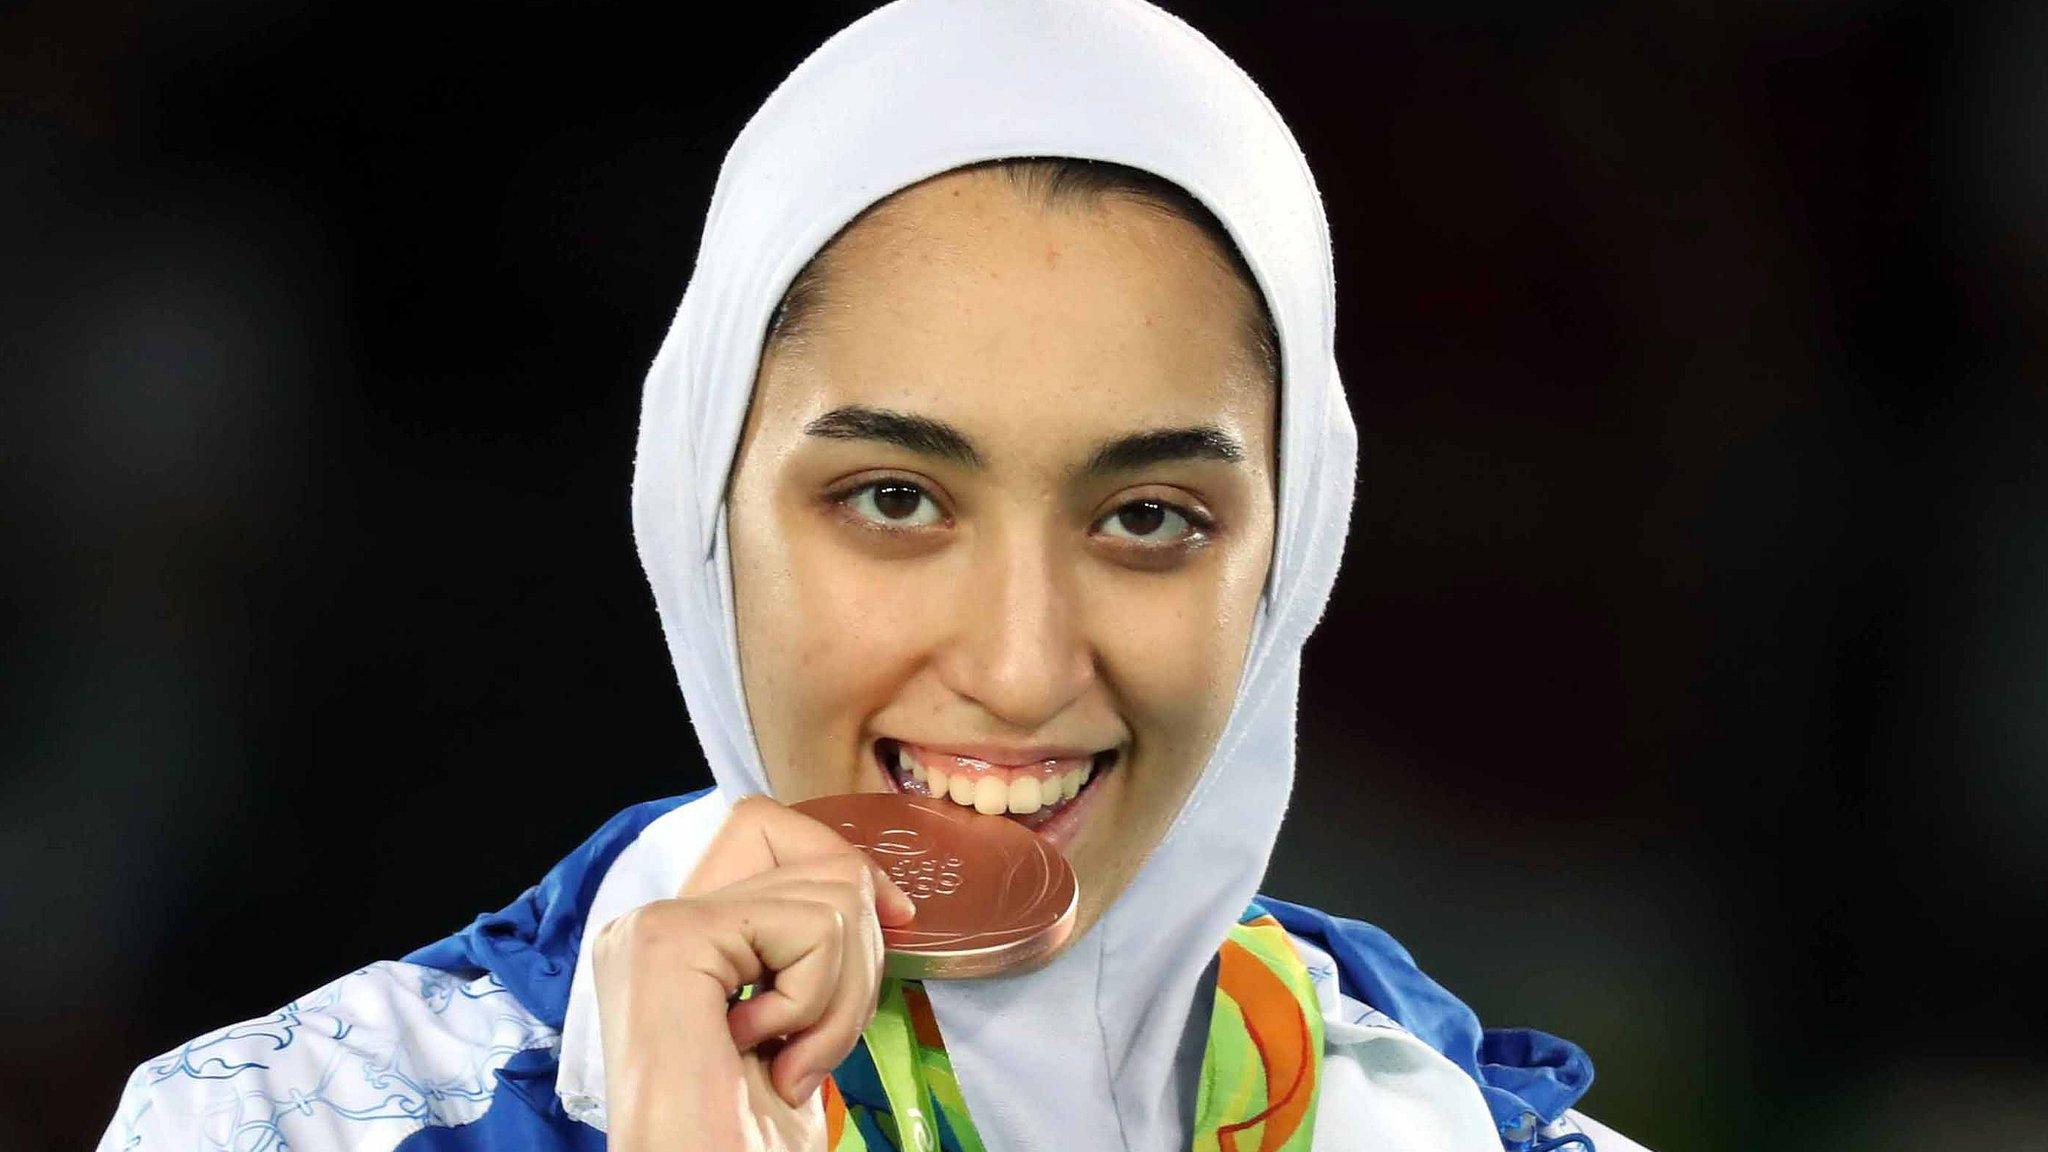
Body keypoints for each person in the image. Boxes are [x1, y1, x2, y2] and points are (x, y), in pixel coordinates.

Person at [95, 2, 1656, 1150]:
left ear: (1293, 553)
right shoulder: (283, 1129)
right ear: (698, 511)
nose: (1026, 665)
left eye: (1150, 518)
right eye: (896, 497)